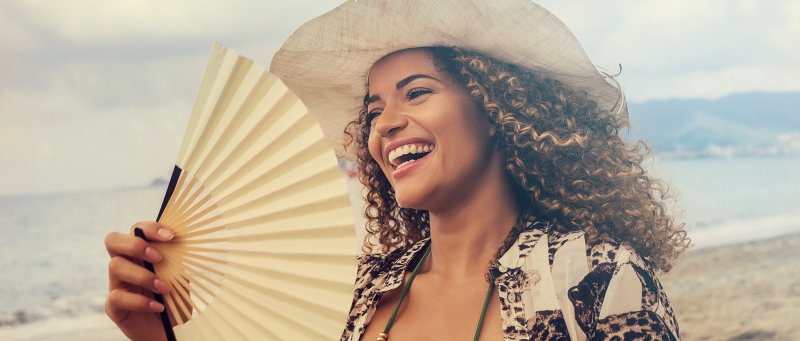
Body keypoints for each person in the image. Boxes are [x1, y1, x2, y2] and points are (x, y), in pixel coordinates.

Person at [105, 0, 689, 340]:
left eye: (417, 92)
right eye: (374, 109)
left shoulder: (596, 277)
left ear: (495, 110)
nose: (385, 125)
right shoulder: (365, 290)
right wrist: (156, 336)